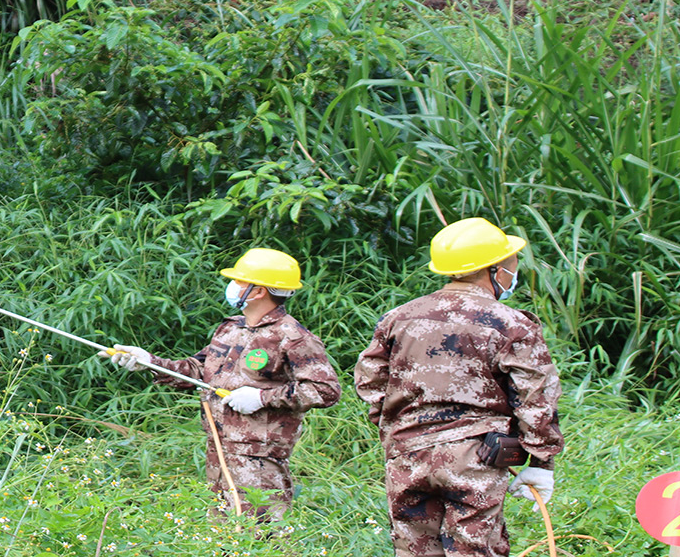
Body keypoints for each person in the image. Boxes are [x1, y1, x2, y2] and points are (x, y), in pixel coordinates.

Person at [353, 218, 564, 557]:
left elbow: (369, 381)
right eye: (511, 262)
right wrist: (541, 462)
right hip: (476, 457)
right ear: (494, 269)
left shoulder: (398, 318)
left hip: (407, 456)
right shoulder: (512, 324)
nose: (515, 269)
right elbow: (536, 397)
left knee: (415, 551)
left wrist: (397, 430)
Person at [106, 248, 341, 521]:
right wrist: (148, 361)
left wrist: (262, 398)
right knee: (222, 536)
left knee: (262, 535)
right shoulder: (231, 328)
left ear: (259, 291)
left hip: (258, 458)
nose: (233, 286)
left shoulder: (292, 337)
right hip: (217, 450)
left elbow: (325, 390)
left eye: (240, 281)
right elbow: (197, 370)